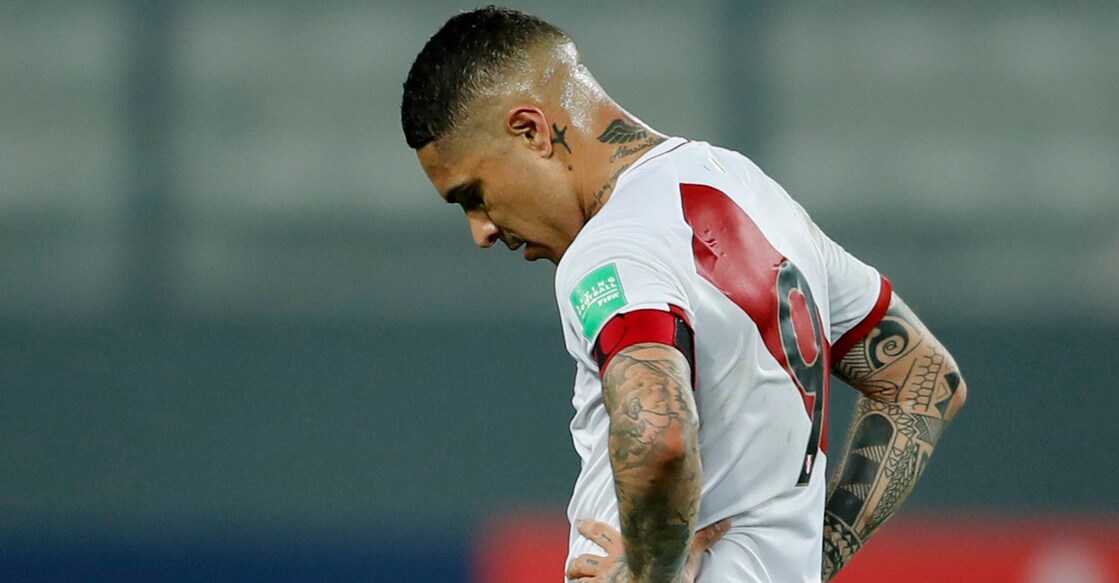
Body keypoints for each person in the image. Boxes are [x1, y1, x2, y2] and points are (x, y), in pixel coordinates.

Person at [401, 7, 967, 582]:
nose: (481, 231)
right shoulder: (751, 190)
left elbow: (659, 437)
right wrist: (809, 561)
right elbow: (923, 380)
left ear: (531, 130)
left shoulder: (612, 247)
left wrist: (654, 575)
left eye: (473, 195)